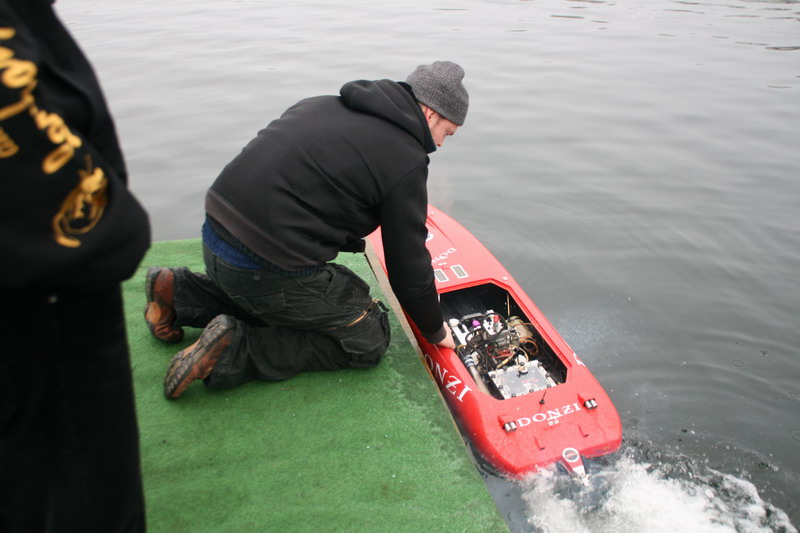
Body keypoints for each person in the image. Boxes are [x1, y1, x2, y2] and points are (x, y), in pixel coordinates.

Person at [145, 61, 468, 399]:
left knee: (303, 293)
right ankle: (234, 351)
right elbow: (408, 269)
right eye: (447, 133)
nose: (441, 144)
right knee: (368, 334)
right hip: (261, 269)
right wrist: (434, 330)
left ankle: (179, 293)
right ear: (430, 113)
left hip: (215, 233)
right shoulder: (406, 159)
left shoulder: (321, 104)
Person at [0, 1, 150, 531]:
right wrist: (114, 232)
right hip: (52, 289)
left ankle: (191, 294)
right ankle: (238, 352)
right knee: (85, 485)